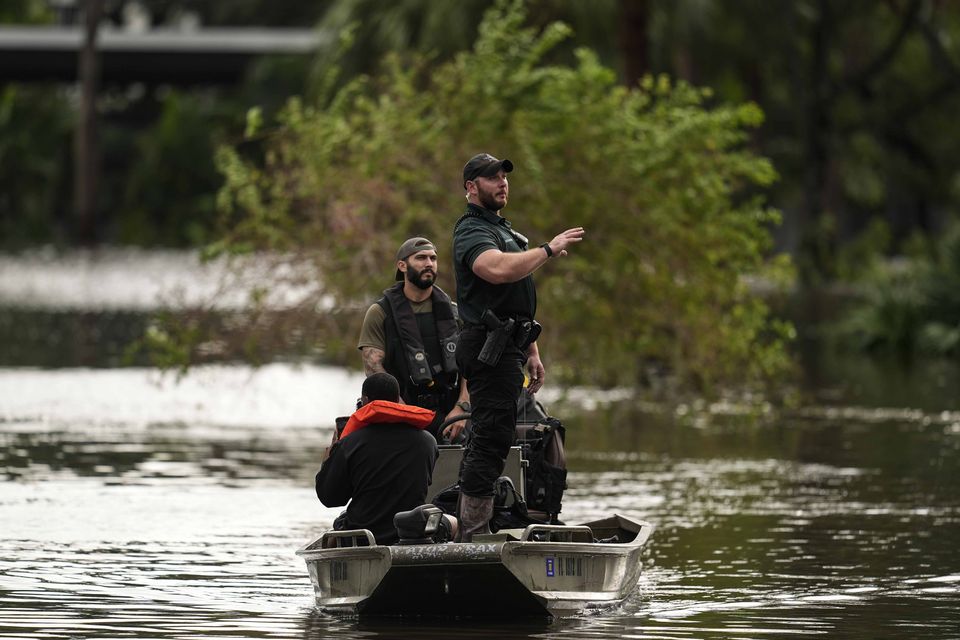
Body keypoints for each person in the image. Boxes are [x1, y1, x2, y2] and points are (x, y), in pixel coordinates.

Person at [452, 152, 584, 541]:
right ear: (471, 188)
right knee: (491, 439)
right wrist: (546, 249)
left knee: (495, 435)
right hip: (486, 348)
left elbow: (515, 300)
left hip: (510, 346)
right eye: (492, 178)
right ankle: (473, 533)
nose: (503, 183)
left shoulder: (502, 229)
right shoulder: (472, 230)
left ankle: (479, 525)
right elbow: (495, 270)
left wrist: (532, 351)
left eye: (505, 177)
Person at [357, 237, 471, 442]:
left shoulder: (455, 313)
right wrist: (400, 410)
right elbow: (373, 367)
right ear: (402, 265)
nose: (429, 263)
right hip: (399, 412)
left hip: (450, 413)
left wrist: (462, 408)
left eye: (433, 258)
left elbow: (471, 366)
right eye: (421, 258)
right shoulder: (380, 313)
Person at [315, 372, 439, 545]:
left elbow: (330, 498)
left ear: (365, 401)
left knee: (335, 531)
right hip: (410, 534)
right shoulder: (428, 442)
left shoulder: (350, 444)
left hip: (363, 537)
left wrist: (328, 459)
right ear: (397, 401)